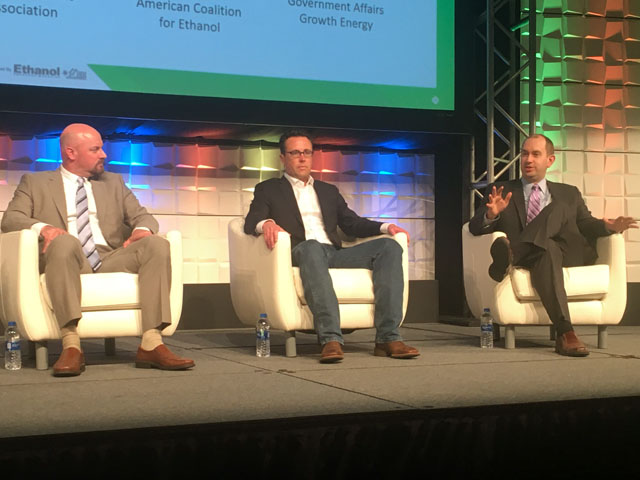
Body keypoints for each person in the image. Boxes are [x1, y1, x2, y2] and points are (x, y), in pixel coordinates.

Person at [1, 123, 195, 376]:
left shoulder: (113, 182)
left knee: (157, 243)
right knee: (64, 240)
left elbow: (144, 218)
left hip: (109, 257)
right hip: (67, 257)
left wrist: (141, 231)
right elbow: (11, 219)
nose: (104, 154)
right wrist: (44, 228)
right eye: (96, 149)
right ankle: (71, 345)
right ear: (71, 153)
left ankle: (151, 343)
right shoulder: (36, 182)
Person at [244, 129, 419, 363]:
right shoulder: (269, 188)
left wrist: (386, 227)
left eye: (307, 152)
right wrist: (266, 223)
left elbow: (351, 223)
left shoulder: (328, 191)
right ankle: (330, 339)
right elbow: (250, 221)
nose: (302, 158)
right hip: (301, 251)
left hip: (334, 252)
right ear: (283, 158)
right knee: (312, 247)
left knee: (389, 248)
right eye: (295, 153)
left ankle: (388, 337)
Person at [469, 134, 637, 356]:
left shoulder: (568, 193)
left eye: (536, 154)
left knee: (556, 209)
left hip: (568, 252)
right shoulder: (501, 189)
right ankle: (566, 333)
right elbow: (473, 228)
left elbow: (586, 225)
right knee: (547, 248)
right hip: (539, 257)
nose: (528, 160)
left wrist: (609, 227)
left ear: (550, 160)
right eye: (525, 154)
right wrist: (491, 214)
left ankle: (512, 253)